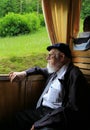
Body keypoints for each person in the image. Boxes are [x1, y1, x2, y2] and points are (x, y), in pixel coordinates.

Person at [9, 43, 90, 130]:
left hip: (58, 115)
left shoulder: (74, 76)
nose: (47, 58)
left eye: (50, 56)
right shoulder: (56, 70)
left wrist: (40, 123)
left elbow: (71, 109)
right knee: (19, 117)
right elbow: (38, 69)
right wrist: (24, 73)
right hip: (43, 111)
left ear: (62, 57)